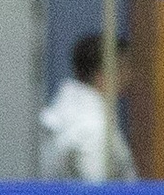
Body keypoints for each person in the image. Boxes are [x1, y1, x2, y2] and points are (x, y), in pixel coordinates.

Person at [38, 32, 135, 182]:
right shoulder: (93, 128)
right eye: (124, 68)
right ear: (102, 75)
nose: (130, 76)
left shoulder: (65, 112)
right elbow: (97, 190)